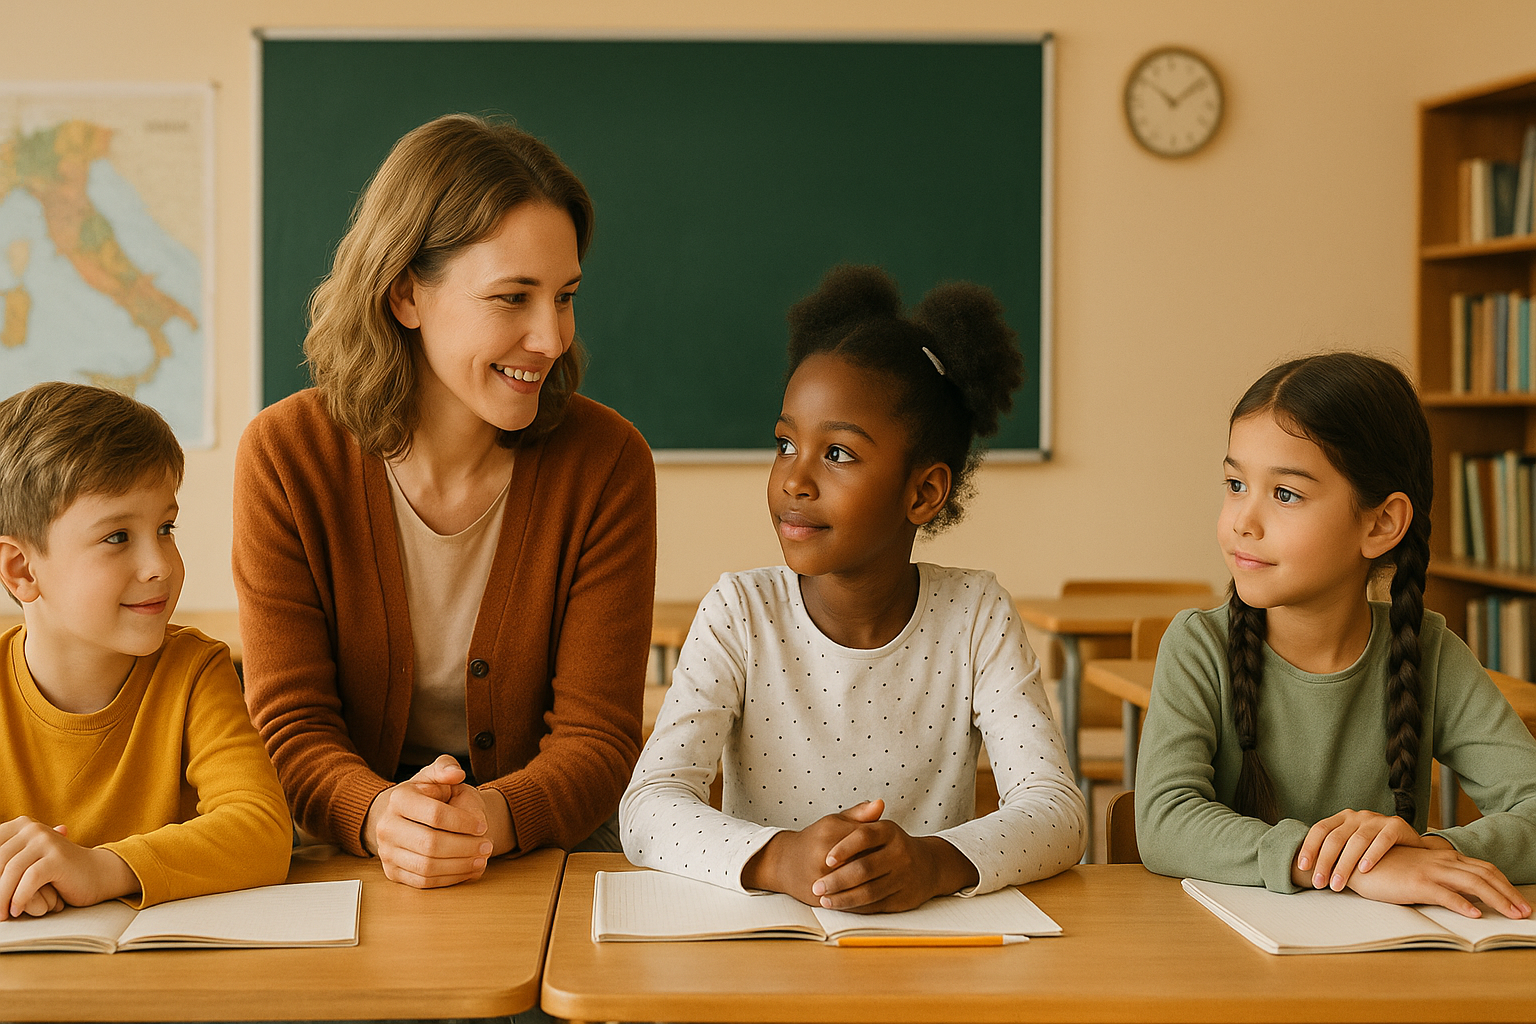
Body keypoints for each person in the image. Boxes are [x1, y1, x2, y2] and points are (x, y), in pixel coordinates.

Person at [235, 114, 656, 889]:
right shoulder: (286, 456)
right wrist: (381, 814)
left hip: (543, 841)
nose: (551, 337)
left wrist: (487, 821)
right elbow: (290, 727)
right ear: (405, 296)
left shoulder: (607, 462)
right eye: (512, 298)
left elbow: (598, 740)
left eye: (564, 297)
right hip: (350, 841)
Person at [621, 265, 1085, 912]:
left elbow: (1058, 813)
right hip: (767, 949)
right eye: (785, 444)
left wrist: (931, 863)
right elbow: (646, 809)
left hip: (923, 954)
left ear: (923, 492)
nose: (794, 479)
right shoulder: (740, 612)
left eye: (837, 453)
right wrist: (781, 859)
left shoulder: (975, 615)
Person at [1137, 352, 1536, 919]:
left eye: (1285, 494)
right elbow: (1163, 823)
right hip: (1226, 953)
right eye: (1234, 483)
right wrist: (1349, 867)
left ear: (1380, 524)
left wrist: (1429, 852)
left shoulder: (1428, 651)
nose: (1242, 521)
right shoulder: (1198, 646)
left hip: (1387, 959)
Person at [0, 382, 290, 919]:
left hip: (174, 983)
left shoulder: (194, 670)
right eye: (117, 537)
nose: (159, 563)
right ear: (21, 570)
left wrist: (97, 869)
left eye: (165, 527)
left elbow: (262, 830)